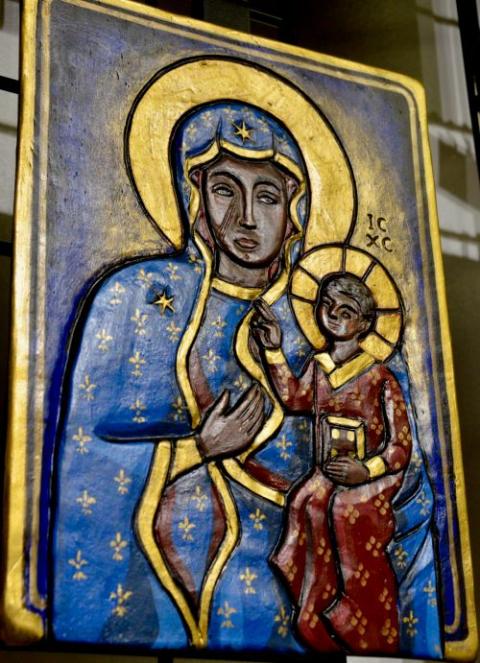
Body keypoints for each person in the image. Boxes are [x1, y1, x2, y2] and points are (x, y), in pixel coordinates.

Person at [52, 101, 323, 652]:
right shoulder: (135, 296)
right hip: (156, 577)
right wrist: (197, 447)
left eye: (268, 196)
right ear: (192, 196)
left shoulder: (319, 320)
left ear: (295, 210)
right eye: (225, 189)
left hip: (279, 585)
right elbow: (81, 453)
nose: (246, 217)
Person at [251, 272, 415, 654]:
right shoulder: (320, 366)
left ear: (364, 322)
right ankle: (315, 609)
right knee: (306, 501)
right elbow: (295, 398)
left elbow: (400, 447)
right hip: (328, 472)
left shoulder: (380, 377)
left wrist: (366, 470)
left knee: (342, 510)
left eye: (346, 311)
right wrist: (274, 350)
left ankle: (358, 619)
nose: (334, 316)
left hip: (369, 479)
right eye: (326, 306)